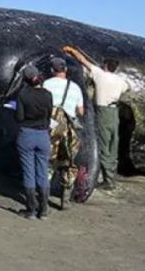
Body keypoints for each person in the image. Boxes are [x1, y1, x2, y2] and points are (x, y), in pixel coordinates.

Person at [63, 46, 130, 190]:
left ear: (105, 65)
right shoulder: (120, 81)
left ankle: (108, 181)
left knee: (104, 143)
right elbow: (127, 87)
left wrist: (71, 50)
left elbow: (83, 60)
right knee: (112, 144)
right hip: (114, 113)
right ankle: (110, 175)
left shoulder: (100, 74)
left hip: (103, 112)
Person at [43, 57, 85, 209]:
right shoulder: (75, 87)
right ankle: (65, 200)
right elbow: (81, 111)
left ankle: (43, 199)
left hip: (51, 130)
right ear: (65, 70)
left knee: (48, 162)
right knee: (68, 163)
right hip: (69, 131)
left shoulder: (46, 84)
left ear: (52, 70)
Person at [14, 65, 53, 219]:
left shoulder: (22, 95)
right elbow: (49, 114)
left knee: (28, 172)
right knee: (43, 172)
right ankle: (43, 210)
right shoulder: (47, 95)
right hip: (43, 134)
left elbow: (19, 117)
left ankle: (30, 209)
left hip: (26, 134)